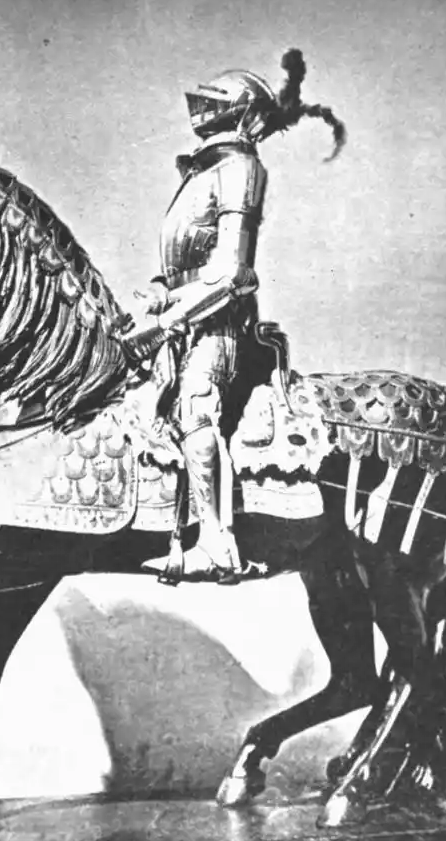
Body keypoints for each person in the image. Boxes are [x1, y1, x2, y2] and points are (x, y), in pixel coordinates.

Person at [123, 50, 345, 582]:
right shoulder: (201, 173)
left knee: (194, 408)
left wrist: (167, 321)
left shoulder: (241, 168)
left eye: (216, 104)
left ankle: (217, 544)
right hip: (184, 322)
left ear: (242, 113)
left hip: (220, 328)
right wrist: (155, 298)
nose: (202, 111)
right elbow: (181, 267)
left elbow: (231, 274)